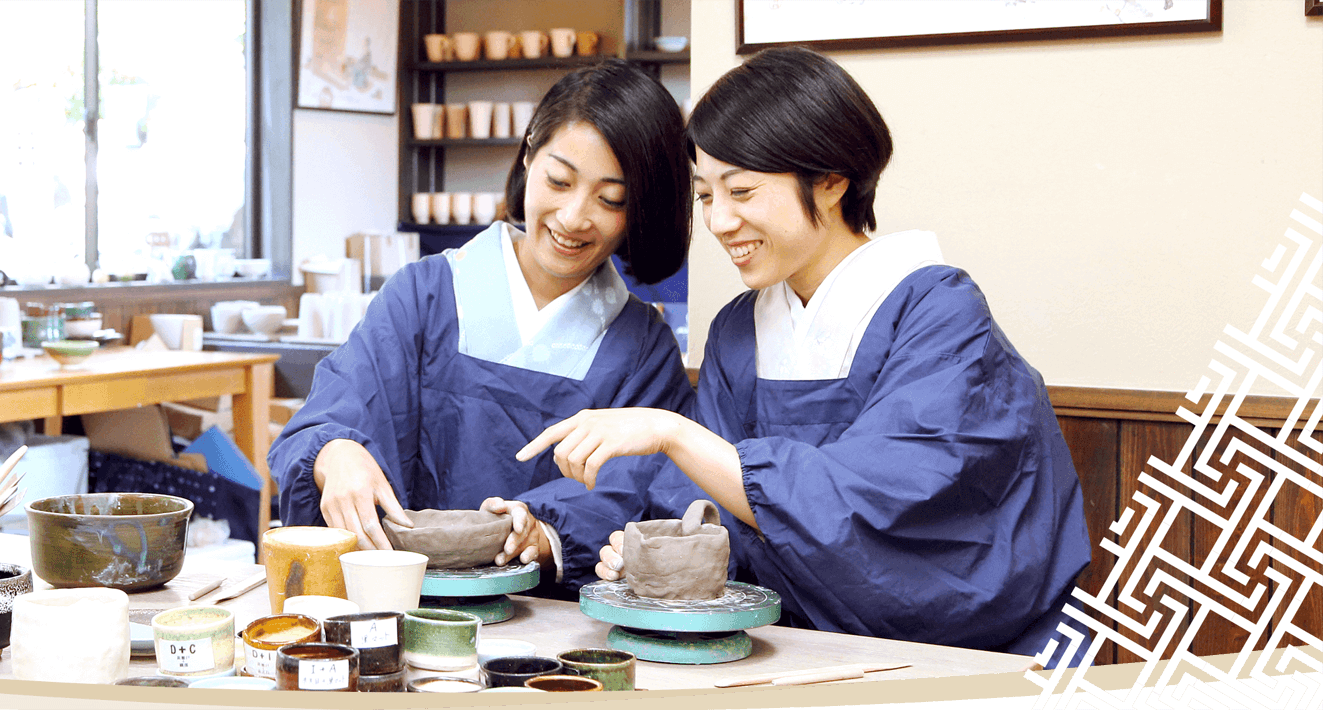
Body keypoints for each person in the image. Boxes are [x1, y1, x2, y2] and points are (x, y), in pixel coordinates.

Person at [517, 47, 1091, 655]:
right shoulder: (743, 330)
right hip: (788, 651)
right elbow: (700, 502)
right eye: (706, 195)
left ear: (831, 180)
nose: (719, 221)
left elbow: (878, 504)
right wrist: (668, 550)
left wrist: (675, 434)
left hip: (959, 659)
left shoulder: (938, 313)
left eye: (741, 190)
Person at [268, 59, 691, 591]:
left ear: (640, 211)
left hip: (551, 632)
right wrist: (335, 453)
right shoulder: (423, 295)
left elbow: (641, 493)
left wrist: (547, 533)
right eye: (558, 181)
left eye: (611, 200)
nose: (573, 217)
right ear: (529, 152)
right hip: (398, 603)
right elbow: (333, 410)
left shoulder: (643, 350)